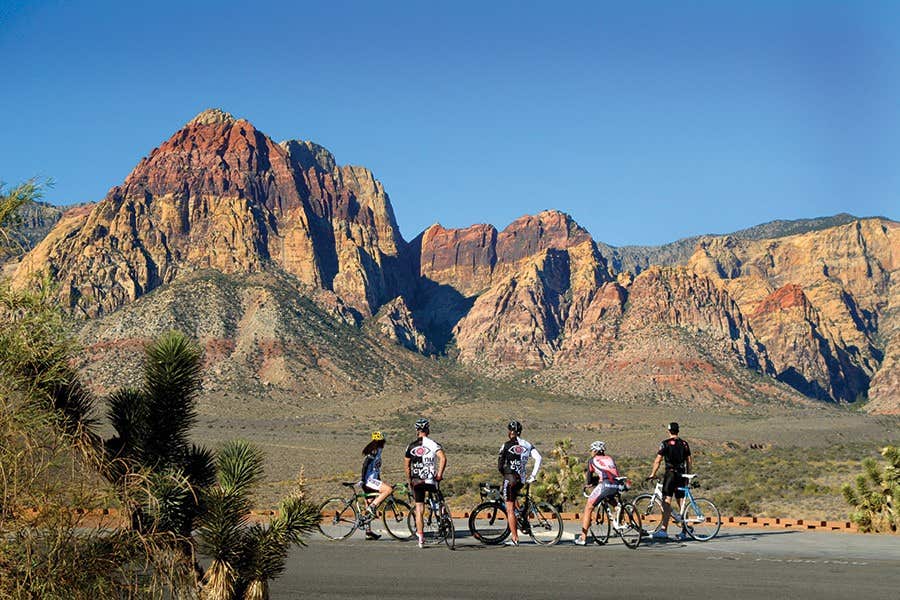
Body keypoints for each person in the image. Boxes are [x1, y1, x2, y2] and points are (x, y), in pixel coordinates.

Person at [497, 420, 542, 546]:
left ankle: (515, 538)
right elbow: (539, 458)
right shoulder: (527, 444)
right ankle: (522, 519)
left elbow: (500, 465)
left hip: (510, 479)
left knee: (509, 509)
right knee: (514, 499)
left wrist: (505, 474)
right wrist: (533, 475)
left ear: (509, 432)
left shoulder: (505, 445)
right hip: (521, 480)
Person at [404, 418, 446, 548]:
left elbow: (407, 466)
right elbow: (443, 458)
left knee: (419, 509)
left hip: (416, 481)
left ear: (417, 431)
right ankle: (442, 516)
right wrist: (439, 474)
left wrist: (409, 480)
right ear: (428, 430)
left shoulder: (410, 446)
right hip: (430, 480)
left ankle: (421, 538)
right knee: (439, 501)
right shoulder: (433, 444)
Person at [647, 422, 692, 540]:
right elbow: (689, 461)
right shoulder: (684, 443)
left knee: (666, 501)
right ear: (678, 431)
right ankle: (685, 530)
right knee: (681, 503)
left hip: (670, 474)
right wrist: (687, 474)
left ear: (669, 431)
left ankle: (663, 530)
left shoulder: (665, 443)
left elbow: (658, 460)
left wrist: (653, 474)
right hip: (682, 474)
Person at [574, 441, 620, 545]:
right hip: (617, 484)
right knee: (611, 500)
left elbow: (589, 480)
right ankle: (621, 520)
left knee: (589, 507)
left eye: (591, 450)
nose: (591, 452)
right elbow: (612, 474)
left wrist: (592, 483)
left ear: (595, 451)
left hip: (605, 485)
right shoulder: (610, 458)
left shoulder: (592, 460)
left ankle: (583, 538)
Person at [360, 431, 393, 540]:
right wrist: (362, 480)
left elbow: (376, 470)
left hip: (372, 480)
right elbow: (365, 465)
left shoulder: (378, 451)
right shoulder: (374, 451)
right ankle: (373, 507)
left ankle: (368, 532)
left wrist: (380, 481)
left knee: (368, 504)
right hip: (369, 481)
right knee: (388, 490)